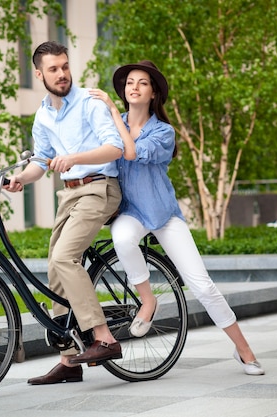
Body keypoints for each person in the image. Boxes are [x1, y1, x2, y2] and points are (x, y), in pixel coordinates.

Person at [89, 60, 265, 376]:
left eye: (142, 83)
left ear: (153, 92)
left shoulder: (163, 132)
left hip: (164, 214)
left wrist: (114, 116)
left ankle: (243, 349)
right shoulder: (112, 125)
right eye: (130, 82)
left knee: (203, 286)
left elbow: (130, 152)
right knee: (122, 238)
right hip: (130, 212)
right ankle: (147, 302)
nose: (134, 87)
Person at [4, 41, 125, 384]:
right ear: (40, 74)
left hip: (100, 186)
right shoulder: (43, 114)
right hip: (69, 195)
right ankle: (69, 361)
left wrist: (74, 158)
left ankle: (104, 337)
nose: (62, 74)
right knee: (54, 268)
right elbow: (40, 162)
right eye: (53, 69)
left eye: (65, 67)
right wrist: (20, 180)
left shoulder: (89, 102)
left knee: (64, 257)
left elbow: (114, 147)